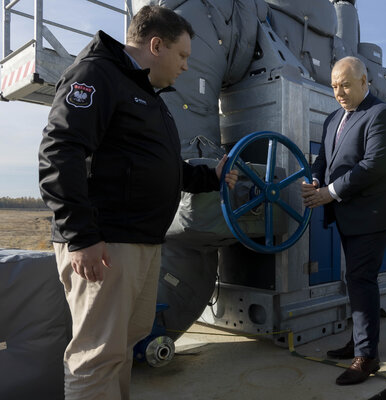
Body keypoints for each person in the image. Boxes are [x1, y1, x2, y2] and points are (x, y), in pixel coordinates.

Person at [38, 6, 237, 399]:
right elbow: (60, 152)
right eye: (182, 56)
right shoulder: (97, 74)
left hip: (139, 242)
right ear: (156, 44)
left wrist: (207, 176)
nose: (185, 67)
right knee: (96, 355)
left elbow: (159, 167)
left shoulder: (146, 94)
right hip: (107, 243)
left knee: (123, 346)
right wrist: (80, 236)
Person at [301, 56, 386, 385]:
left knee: (360, 278)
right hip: (348, 211)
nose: (339, 92)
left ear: (365, 82)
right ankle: (360, 342)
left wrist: (330, 193)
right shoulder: (333, 118)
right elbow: (324, 159)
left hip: (375, 213)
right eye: (334, 86)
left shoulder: (382, 115)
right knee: (355, 278)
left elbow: (373, 166)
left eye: (346, 85)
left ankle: (366, 357)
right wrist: (317, 180)